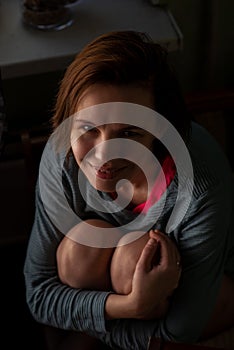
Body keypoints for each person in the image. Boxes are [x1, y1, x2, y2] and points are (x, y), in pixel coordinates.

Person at [24, 30, 234, 350]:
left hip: (206, 284)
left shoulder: (199, 188)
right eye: (88, 128)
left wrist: (81, 315)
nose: (104, 155)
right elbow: (38, 296)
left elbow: (180, 330)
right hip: (133, 297)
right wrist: (132, 305)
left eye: (130, 132)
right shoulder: (61, 155)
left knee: (136, 259)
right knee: (80, 250)